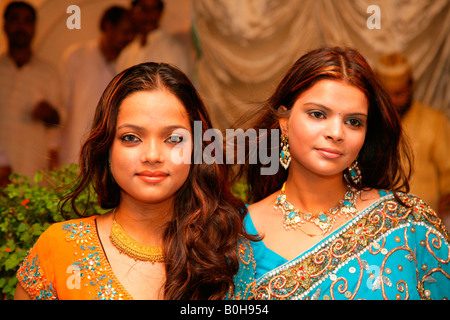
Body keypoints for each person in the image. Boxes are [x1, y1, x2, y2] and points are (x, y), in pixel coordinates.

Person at [14, 62, 255, 300]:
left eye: (173, 139)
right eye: (131, 137)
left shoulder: (228, 251)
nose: (152, 156)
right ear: (107, 147)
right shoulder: (60, 247)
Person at [234, 47, 450, 300]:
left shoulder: (405, 221)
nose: (336, 133)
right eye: (317, 114)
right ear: (284, 121)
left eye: (354, 122)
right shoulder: (238, 232)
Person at [374, 53, 450, 220]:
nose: (393, 101)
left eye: (399, 94)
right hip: (378, 222)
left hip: (426, 223)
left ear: (410, 87)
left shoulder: (434, 121)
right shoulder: (367, 123)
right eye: (387, 95)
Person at [60, 6, 135, 165]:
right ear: (108, 26)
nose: (129, 38)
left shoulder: (130, 63)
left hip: (111, 153)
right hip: (74, 148)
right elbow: (62, 106)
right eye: (125, 32)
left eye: (132, 33)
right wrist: (54, 146)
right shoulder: (77, 56)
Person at [0, 1, 62, 178]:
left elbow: (58, 123)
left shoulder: (48, 73)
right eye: (15, 19)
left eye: (27, 21)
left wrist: (49, 113)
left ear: (34, 27)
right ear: (5, 25)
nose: (21, 26)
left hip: (32, 169)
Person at [117, 0, 190, 76]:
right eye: (144, 9)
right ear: (133, 12)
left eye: (153, 9)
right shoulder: (126, 54)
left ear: (160, 12)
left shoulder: (174, 51)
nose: (149, 16)